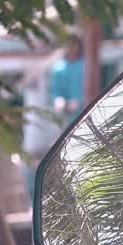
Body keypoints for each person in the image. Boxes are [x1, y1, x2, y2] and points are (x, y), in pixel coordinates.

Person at [22, 35, 85, 200]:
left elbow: (85, 89)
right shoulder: (59, 68)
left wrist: (76, 101)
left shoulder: (84, 66)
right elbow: (56, 91)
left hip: (81, 114)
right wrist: (60, 101)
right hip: (63, 118)